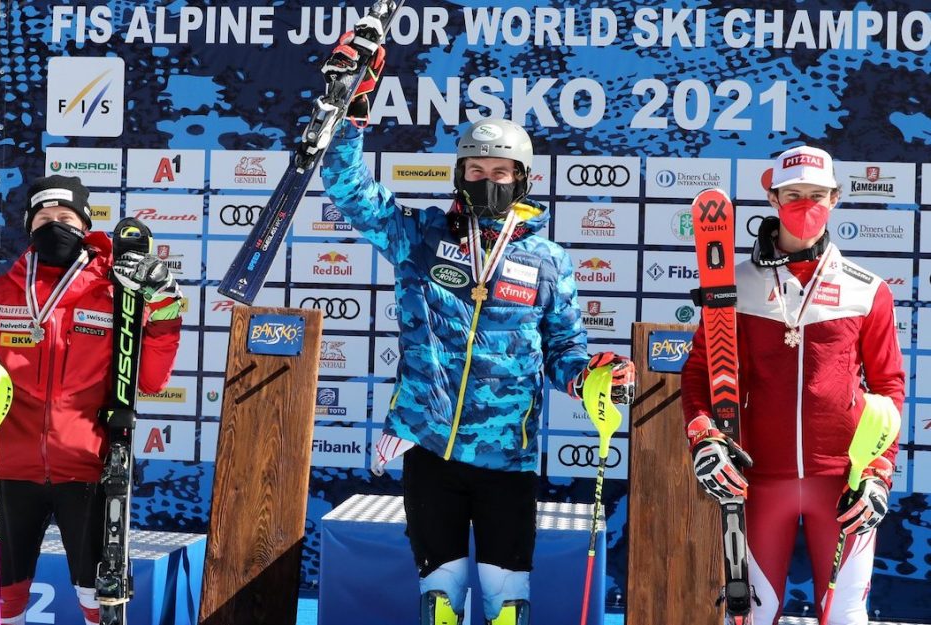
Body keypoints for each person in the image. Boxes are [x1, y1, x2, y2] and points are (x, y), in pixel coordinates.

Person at [319, 30, 636, 625]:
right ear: (457, 174)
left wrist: (591, 378)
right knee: (439, 603)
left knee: (506, 606)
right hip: (430, 451)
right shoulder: (420, 238)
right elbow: (350, 190)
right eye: (475, 167)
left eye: (501, 169)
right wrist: (349, 115)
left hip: (507, 461)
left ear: (523, 179)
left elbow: (565, 349)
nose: (487, 179)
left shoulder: (547, 260)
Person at [681, 145, 905, 625]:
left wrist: (878, 473)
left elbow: (889, 386)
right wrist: (705, 438)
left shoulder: (867, 289)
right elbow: (701, 372)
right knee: (750, 617)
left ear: (836, 198)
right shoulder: (732, 284)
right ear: (773, 198)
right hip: (760, 479)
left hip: (843, 482)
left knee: (845, 616)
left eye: (817, 195)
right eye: (793, 194)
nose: (806, 205)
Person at [0, 174, 183, 625]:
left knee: (99, 599)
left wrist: (166, 305)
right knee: (4, 594)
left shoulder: (115, 292)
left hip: (89, 466)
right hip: (10, 468)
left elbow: (150, 379)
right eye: (44, 217)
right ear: (29, 225)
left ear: (84, 224)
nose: (54, 224)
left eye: (65, 217)